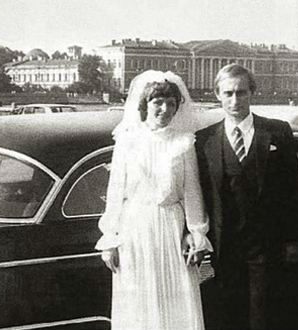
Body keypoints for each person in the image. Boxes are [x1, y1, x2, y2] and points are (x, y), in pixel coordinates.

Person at [96, 70, 212, 330]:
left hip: (171, 227)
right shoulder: (127, 141)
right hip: (135, 229)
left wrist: (196, 234)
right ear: (144, 105)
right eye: (157, 102)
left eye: (171, 103)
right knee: (138, 302)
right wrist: (110, 239)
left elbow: (192, 192)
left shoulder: (184, 142)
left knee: (176, 299)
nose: (165, 109)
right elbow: (116, 192)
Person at [195, 64, 298, 330]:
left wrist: (290, 240)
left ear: (252, 92)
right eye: (228, 93)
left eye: (241, 92)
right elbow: (200, 194)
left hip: (265, 244)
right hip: (223, 246)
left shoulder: (278, 132)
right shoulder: (204, 140)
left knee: (262, 316)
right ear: (217, 94)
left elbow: (292, 191)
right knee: (228, 315)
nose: (234, 100)